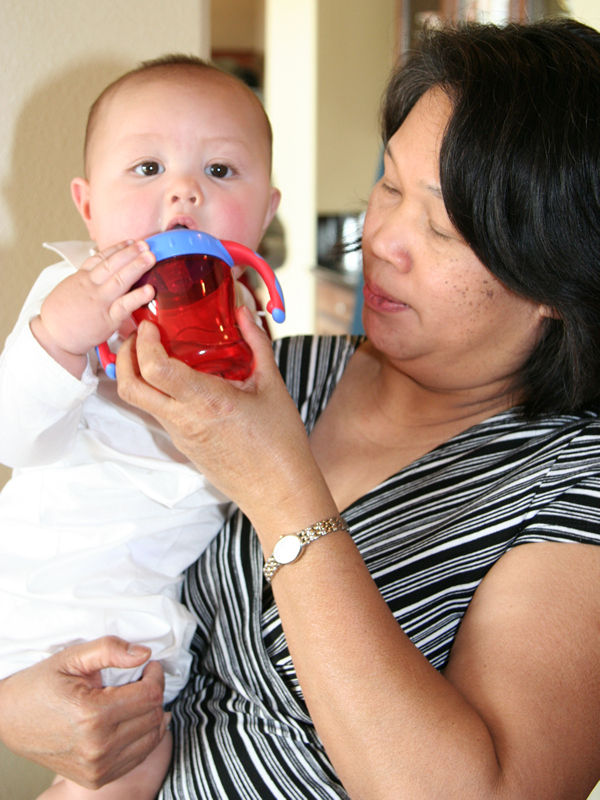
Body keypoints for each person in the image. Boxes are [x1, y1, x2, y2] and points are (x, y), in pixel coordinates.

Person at [1, 17, 600, 800]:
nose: (381, 241)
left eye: (442, 226)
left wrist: (279, 487)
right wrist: (16, 704)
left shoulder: (572, 482)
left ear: (559, 275)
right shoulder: (280, 370)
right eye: (388, 186)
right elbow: (83, 520)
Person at [0, 55, 280, 799]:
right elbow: (14, 438)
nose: (185, 191)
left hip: (146, 611)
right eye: (148, 167)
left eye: (220, 170)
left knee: (138, 761)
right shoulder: (71, 296)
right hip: (44, 587)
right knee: (124, 768)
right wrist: (59, 339)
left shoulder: (249, 325)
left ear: (267, 210)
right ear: (88, 206)